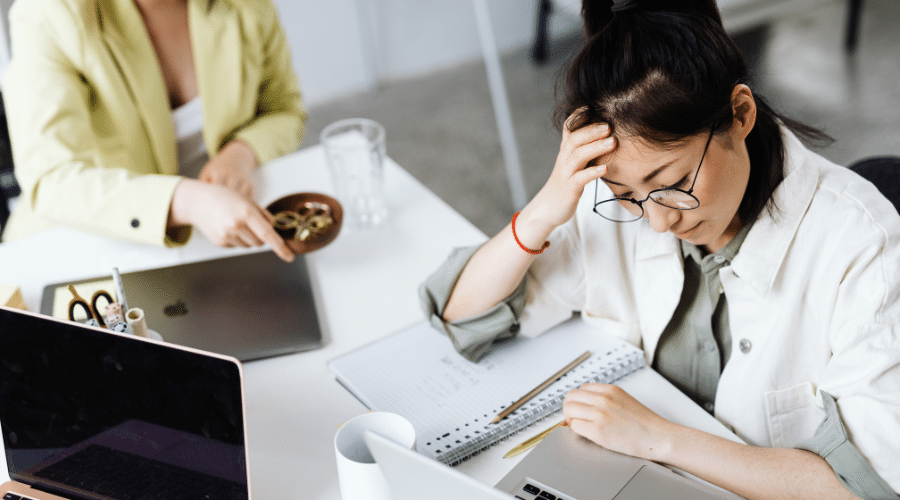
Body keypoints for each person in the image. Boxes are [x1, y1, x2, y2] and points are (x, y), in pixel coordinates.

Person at [420, 1, 900, 498]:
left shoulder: (863, 245)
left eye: (672, 182)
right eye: (627, 196)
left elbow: (868, 486)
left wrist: (656, 438)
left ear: (740, 114)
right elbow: (461, 314)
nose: (659, 220)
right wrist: (546, 208)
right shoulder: (614, 202)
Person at [0, 0, 305, 262]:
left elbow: (285, 110)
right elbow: (52, 178)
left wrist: (242, 151)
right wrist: (184, 200)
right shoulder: (47, 14)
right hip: (82, 240)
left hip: (216, 227)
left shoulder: (246, 7)